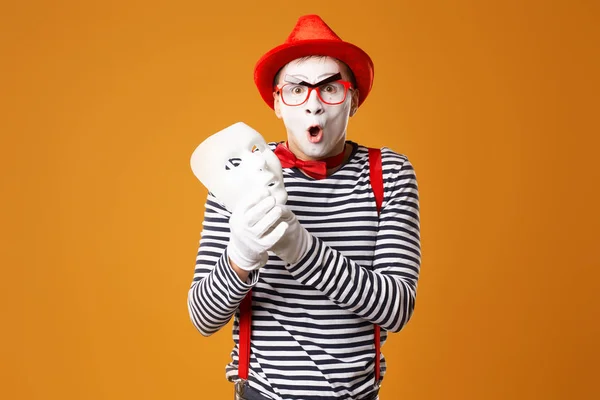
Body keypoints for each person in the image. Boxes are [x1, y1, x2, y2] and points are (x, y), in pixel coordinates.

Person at [188, 14, 421, 400]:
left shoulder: (389, 173)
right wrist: (241, 256)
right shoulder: (240, 177)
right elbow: (203, 318)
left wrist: (299, 247)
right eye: (297, 90)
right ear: (278, 103)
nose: (313, 105)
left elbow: (396, 309)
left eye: (330, 88)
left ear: (354, 100)